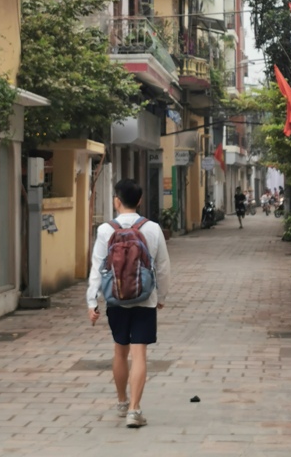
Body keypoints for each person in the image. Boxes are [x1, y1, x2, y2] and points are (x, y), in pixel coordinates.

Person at [87, 179, 170, 429]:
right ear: (140, 201)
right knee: (139, 353)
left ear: (116, 200)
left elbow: (97, 268)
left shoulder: (105, 230)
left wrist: (92, 301)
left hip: (115, 298)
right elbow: (163, 267)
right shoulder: (153, 228)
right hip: (145, 299)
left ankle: (122, 401)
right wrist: (162, 297)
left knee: (119, 350)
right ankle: (135, 409)